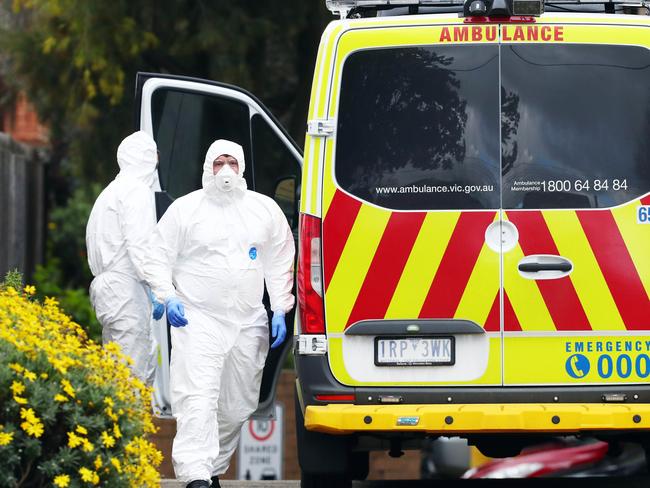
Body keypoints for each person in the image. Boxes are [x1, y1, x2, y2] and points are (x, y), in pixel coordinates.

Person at [143, 139, 294, 488]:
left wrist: (280, 309)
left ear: (241, 167)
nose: (225, 170)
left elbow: (280, 259)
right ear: (207, 167)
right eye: (218, 162)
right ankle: (195, 475)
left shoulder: (264, 210)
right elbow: (157, 255)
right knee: (198, 396)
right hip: (198, 317)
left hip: (248, 321)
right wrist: (168, 296)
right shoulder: (186, 209)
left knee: (236, 405)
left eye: (232, 162)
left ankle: (212, 469)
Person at [86, 130, 164, 386]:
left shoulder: (111, 191)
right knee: (131, 377)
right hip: (125, 292)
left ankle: (117, 425)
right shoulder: (136, 192)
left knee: (115, 372)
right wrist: (162, 288)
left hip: (110, 290)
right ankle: (129, 427)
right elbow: (140, 247)